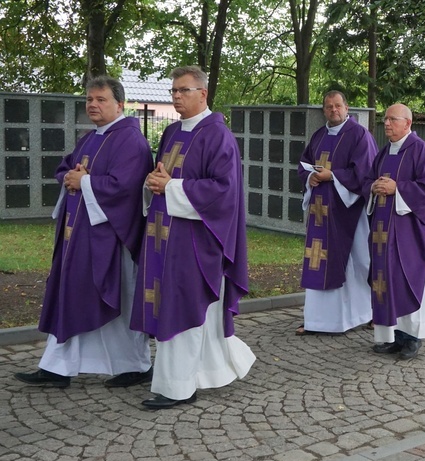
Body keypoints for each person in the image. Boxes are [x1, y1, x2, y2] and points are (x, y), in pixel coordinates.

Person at [14, 77, 153, 388]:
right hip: (80, 236)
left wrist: (85, 182)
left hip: (112, 240)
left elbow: (126, 187)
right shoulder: (91, 138)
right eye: (89, 99)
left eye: (100, 99)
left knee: (119, 302)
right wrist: (71, 177)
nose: (92, 104)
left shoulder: (130, 139)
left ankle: (137, 364)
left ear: (119, 104)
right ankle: (57, 366)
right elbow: (68, 168)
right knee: (72, 295)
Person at [130, 66, 256, 409]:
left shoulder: (218, 135)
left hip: (196, 242)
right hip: (163, 238)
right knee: (170, 306)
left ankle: (178, 387)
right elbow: (162, 177)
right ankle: (196, 373)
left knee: (183, 307)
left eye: (183, 90)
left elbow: (223, 191)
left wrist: (170, 187)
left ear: (203, 94)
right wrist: (154, 184)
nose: (175, 96)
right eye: (173, 91)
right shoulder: (171, 131)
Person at [365, 103, 425, 360]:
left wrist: (398, 188)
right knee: (388, 283)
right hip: (383, 234)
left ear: (408, 123)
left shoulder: (421, 151)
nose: (387, 124)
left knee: (411, 281)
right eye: (385, 119)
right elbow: (366, 182)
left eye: (392, 119)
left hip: (411, 235)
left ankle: (412, 337)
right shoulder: (383, 153)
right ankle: (393, 336)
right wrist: (373, 188)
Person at [296, 91, 377, 335]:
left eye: (338, 105)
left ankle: (370, 313)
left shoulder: (359, 135)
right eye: (329, 107)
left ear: (346, 107)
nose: (334, 110)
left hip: (349, 212)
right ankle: (317, 320)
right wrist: (310, 176)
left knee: (359, 263)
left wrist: (332, 175)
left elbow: (365, 171)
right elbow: (304, 164)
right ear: (324, 110)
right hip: (321, 213)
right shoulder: (319, 136)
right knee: (318, 261)